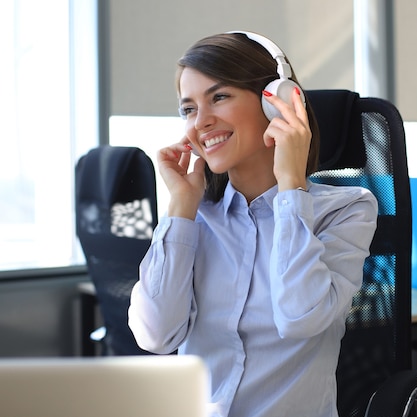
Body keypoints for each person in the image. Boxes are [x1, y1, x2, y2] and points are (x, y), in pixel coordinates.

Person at [128, 31, 378, 417]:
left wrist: (291, 187)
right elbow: (155, 335)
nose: (201, 122)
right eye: (188, 109)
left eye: (219, 97)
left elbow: (300, 318)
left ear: (277, 103)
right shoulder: (196, 217)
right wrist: (180, 207)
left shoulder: (346, 209)